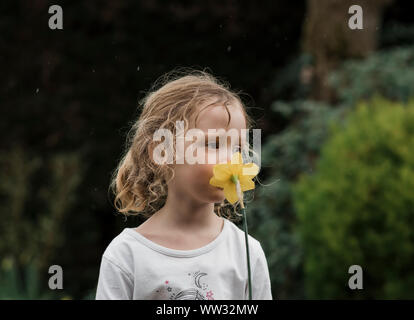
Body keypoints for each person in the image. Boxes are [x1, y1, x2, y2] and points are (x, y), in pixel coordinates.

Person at [95, 69, 272, 300]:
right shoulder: (127, 256)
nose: (232, 159)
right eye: (214, 144)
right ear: (162, 153)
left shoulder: (246, 253)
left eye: (237, 148)